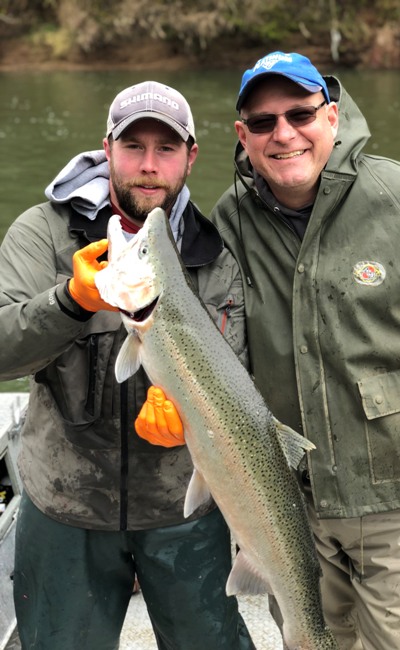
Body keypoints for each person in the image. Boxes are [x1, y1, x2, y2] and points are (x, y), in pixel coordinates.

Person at [206, 52, 400, 649]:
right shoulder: (228, 220)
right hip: (289, 497)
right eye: (263, 122)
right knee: (311, 637)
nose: (283, 134)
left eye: (301, 113)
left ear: (331, 115)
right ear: (242, 135)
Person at [0, 80, 255, 650]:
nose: (147, 166)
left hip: (181, 511)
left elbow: (239, 382)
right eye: (132, 146)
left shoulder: (218, 257)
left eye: (165, 149)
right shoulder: (40, 233)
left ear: (191, 156)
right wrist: (69, 301)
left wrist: (188, 419)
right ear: (106, 148)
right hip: (65, 504)